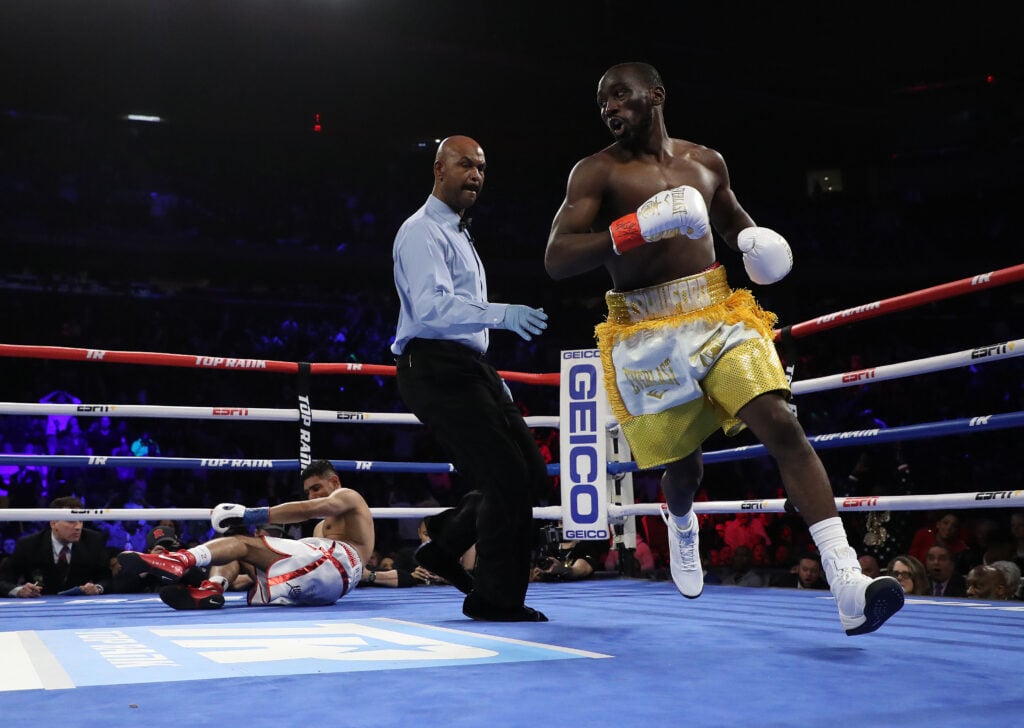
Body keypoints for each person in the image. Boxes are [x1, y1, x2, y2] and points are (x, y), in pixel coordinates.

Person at [544, 61, 902, 635]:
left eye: (619, 95)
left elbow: (735, 224)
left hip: (716, 314)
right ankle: (681, 520)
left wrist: (755, 242)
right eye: (602, 101)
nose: (609, 107)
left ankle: (847, 582)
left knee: (782, 424)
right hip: (645, 331)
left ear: (656, 94)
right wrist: (634, 229)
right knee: (684, 470)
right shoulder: (596, 172)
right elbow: (557, 257)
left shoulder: (706, 162)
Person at [390, 135, 550, 622]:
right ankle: (494, 599)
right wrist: (502, 313)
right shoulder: (421, 231)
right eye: (465, 165)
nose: (476, 175)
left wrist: (491, 375)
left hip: (470, 367)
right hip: (434, 366)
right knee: (504, 475)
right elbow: (432, 308)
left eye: (481, 167)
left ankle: (445, 545)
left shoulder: (459, 232)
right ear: (439, 169)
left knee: (530, 473)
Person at [116, 459, 373, 610]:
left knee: (242, 542)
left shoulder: (348, 496)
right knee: (237, 549)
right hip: (322, 589)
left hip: (339, 566)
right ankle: (211, 589)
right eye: (308, 491)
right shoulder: (321, 530)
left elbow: (309, 510)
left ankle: (179, 560)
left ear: (334, 482)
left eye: (317, 487)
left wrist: (250, 515)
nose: (312, 495)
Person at [0, 496, 111, 597]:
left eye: (81, 521)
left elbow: (107, 579)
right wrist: (19, 591)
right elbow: (3, 581)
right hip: (39, 606)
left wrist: (97, 588)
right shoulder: (28, 545)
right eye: (71, 521)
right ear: (53, 523)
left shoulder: (93, 541)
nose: (78, 527)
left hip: (80, 606)